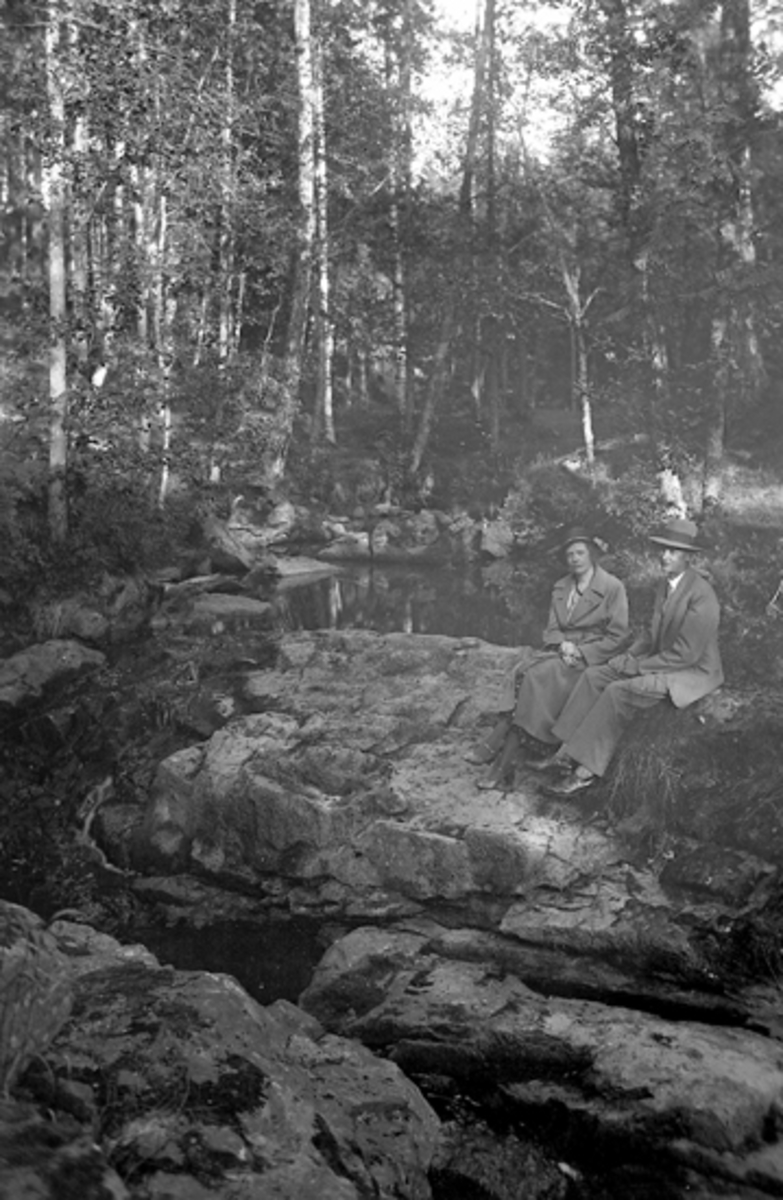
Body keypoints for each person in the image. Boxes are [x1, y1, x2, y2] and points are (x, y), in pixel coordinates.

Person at [535, 517, 723, 796]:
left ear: (689, 557)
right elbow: (650, 634)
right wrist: (626, 656)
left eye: (673, 552)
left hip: (690, 673)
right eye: (663, 549)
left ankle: (584, 772)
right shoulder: (666, 585)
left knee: (617, 692)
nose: (665, 556)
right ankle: (564, 752)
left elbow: (685, 655)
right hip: (663, 661)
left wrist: (636, 666)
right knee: (594, 675)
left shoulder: (702, 596)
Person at [468, 528, 630, 789]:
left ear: (591, 555)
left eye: (580, 553)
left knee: (533, 678)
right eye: (570, 554)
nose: (575, 559)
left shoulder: (612, 587)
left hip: (590, 657)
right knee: (521, 671)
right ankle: (500, 747)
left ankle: (502, 759)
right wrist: (562, 643)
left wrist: (581, 651)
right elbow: (552, 629)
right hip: (561, 651)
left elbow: (618, 637)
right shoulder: (561, 586)